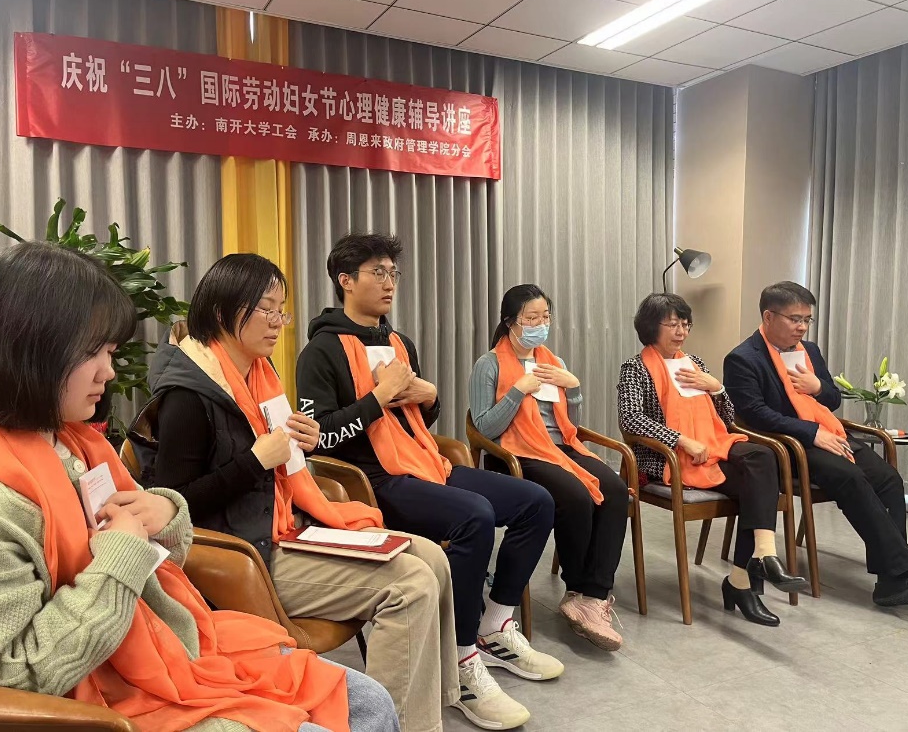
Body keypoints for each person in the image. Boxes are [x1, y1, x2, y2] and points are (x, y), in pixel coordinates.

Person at [0, 241, 399, 732]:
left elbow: (162, 547)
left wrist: (164, 513)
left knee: (370, 700)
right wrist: (125, 554)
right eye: (92, 353)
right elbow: (17, 674)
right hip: (95, 696)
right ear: (29, 350)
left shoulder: (76, 444)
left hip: (161, 643)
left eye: (110, 352)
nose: (109, 372)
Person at [146, 253, 458, 732]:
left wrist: (302, 443)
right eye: (266, 309)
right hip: (248, 552)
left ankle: (436, 704)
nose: (277, 322)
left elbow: (282, 464)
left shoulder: (258, 374)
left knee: (432, 558)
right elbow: (172, 505)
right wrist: (256, 461)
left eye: (281, 310)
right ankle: (401, 724)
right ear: (223, 312)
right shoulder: (188, 394)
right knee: (410, 584)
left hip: (287, 524)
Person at [297, 233, 562, 731]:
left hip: (425, 464)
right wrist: (379, 397)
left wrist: (429, 395)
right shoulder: (321, 351)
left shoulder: (400, 342)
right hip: (373, 481)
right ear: (345, 280)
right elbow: (319, 438)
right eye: (378, 272)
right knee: (474, 516)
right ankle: (459, 660)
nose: (389, 283)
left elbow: (420, 417)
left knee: (536, 501)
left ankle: (493, 625)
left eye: (393, 273)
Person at [617, 293, 808, 626]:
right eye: (672, 324)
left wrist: (716, 388)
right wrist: (680, 440)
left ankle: (758, 561)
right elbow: (630, 419)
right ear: (650, 327)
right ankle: (745, 581)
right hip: (668, 458)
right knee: (756, 485)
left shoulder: (695, 363)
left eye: (685, 324)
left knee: (762, 457)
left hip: (712, 447)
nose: (681, 332)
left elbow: (728, 419)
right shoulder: (635, 368)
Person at [724, 281, 908, 607]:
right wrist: (811, 433)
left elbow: (833, 399)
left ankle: (891, 580)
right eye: (794, 319)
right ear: (768, 317)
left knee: (889, 479)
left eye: (807, 319)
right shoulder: (743, 358)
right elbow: (755, 414)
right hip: (787, 447)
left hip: (830, 434)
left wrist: (817, 388)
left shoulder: (809, 351)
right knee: (851, 478)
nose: (802, 327)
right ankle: (902, 569)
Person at [469, 284, 629, 651]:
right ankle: (576, 589)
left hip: (561, 448)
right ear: (511, 322)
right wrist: (518, 390)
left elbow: (571, 426)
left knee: (616, 490)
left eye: (545, 317)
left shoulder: (553, 361)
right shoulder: (488, 364)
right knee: (576, 495)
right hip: (516, 453)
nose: (540, 324)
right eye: (531, 318)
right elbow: (484, 428)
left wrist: (574, 389)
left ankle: (593, 596)